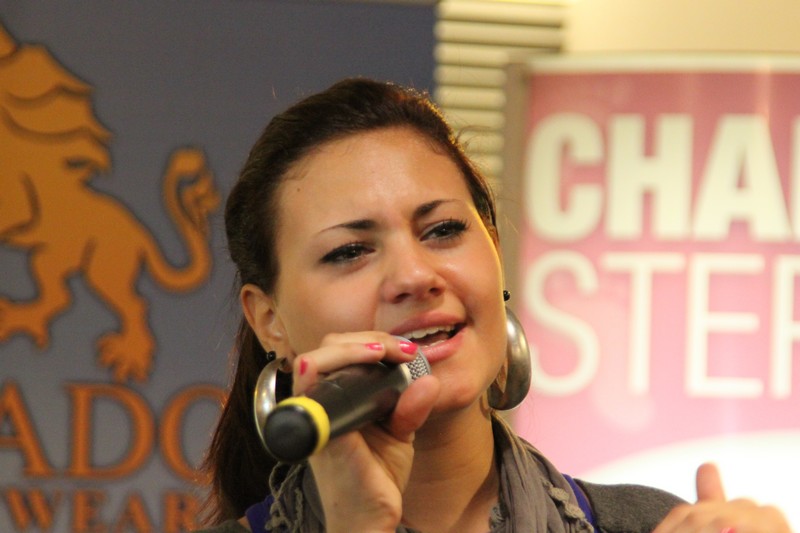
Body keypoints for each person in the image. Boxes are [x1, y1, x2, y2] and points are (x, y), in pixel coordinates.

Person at [197, 78, 792, 533]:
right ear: (269, 320)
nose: (414, 276)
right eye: (350, 252)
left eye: (443, 230)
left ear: (495, 250)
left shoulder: (649, 525)